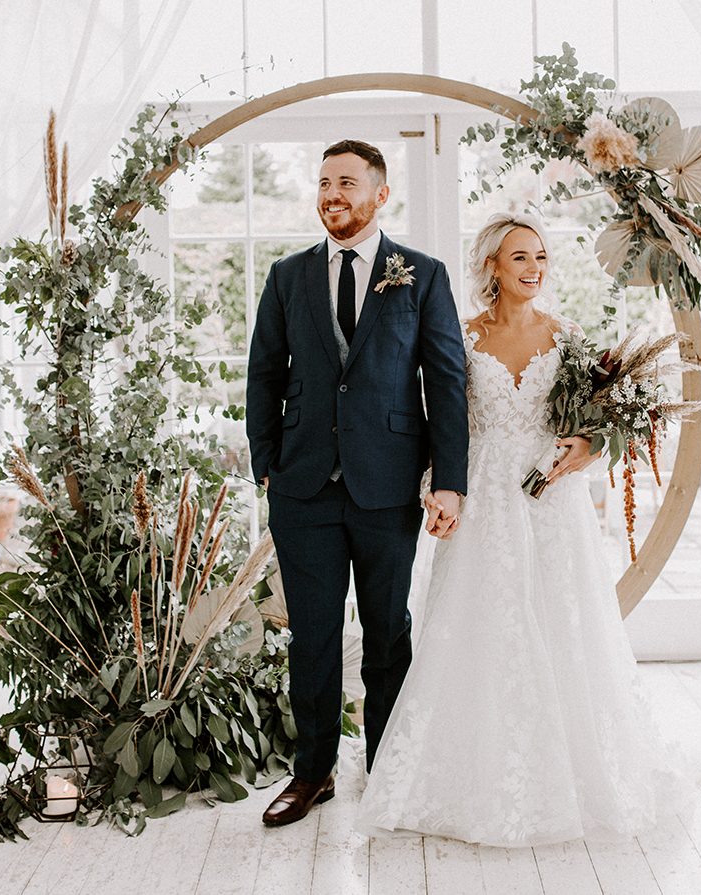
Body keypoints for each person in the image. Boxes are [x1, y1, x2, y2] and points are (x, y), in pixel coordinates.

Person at [356, 213, 691, 846]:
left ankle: (575, 771)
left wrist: (590, 443)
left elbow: (606, 414)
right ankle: (464, 772)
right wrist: (438, 487)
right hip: (483, 491)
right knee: (483, 617)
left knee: (562, 617)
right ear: (492, 268)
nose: (534, 269)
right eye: (520, 259)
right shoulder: (459, 335)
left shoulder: (567, 336)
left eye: (540, 257)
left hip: (550, 493)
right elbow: (442, 419)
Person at [246, 140, 469, 826]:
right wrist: (267, 463)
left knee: (386, 634)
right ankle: (312, 772)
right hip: (303, 487)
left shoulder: (421, 276)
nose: (331, 193)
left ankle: (389, 768)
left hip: (388, 485)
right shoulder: (287, 276)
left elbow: (447, 379)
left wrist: (449, 480)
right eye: (322, 182)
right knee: (310, 638)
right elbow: (265, 374)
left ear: (380, 194)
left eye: (346, 181)